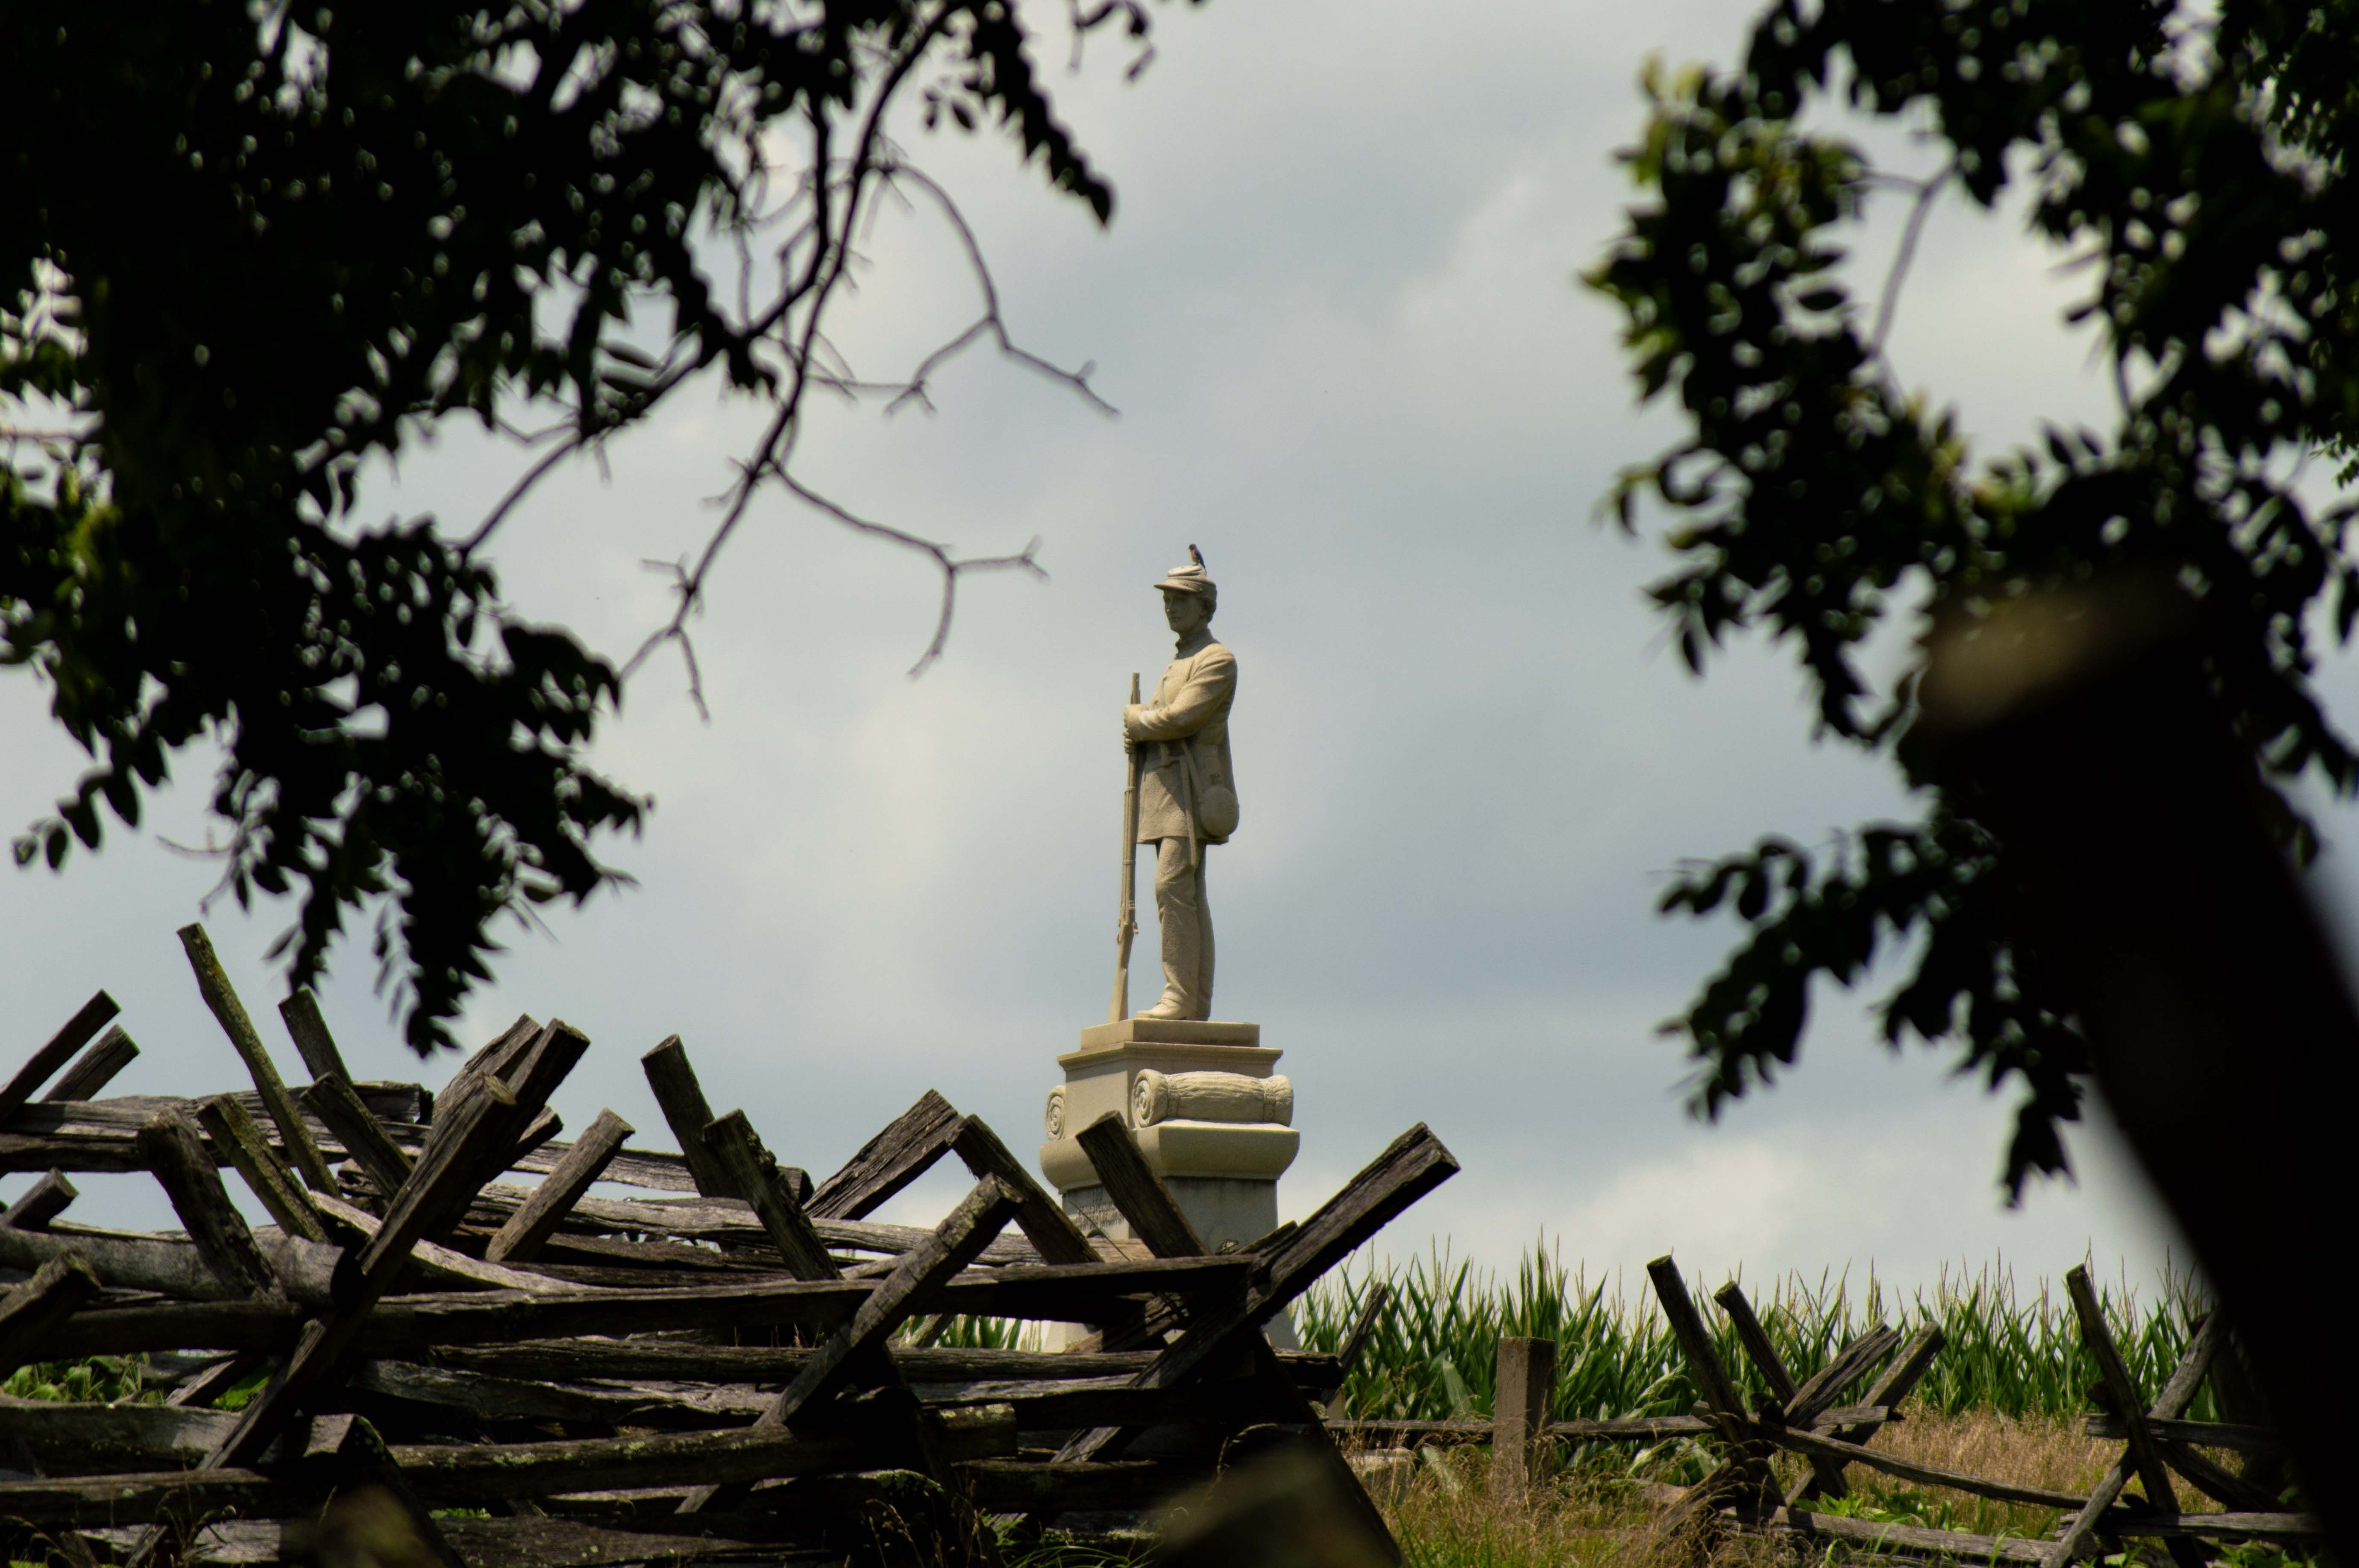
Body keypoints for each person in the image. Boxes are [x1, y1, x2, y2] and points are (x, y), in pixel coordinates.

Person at [1122, 554, 1240, 1021]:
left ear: (1204, 605)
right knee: (1184, 889)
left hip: (1190, 790)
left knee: (1173, 886)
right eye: (1167, 600)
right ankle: (1194, 998)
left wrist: (1137, 722)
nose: (1170, 608)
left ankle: (1181, 997)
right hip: (1164, 789)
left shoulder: (1216, 659)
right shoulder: (1179, 660)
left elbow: (1179, 718)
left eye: (1180, 600)